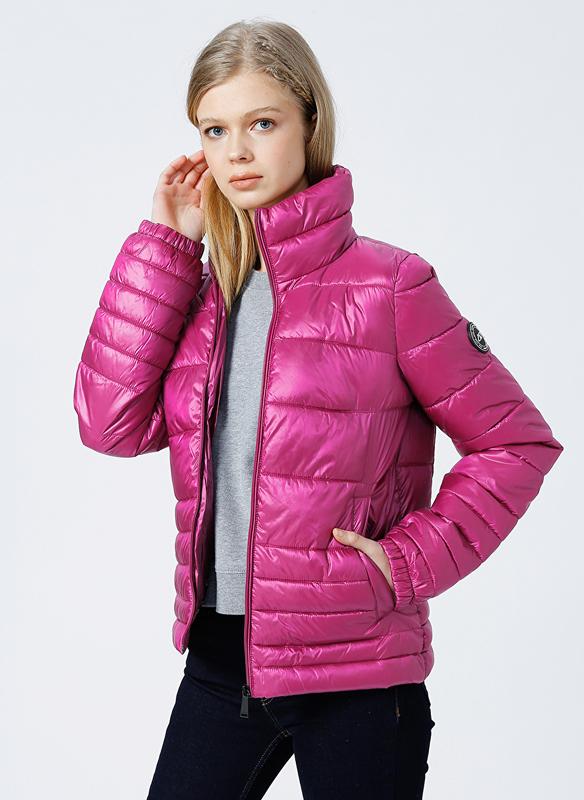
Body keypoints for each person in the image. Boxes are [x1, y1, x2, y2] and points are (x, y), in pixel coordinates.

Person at [72, 18, 564, 800]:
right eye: (215, 129)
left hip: (359, 679)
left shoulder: (391, 288)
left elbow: (518, 444)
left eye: (262, 124)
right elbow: (109, 425)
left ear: (309, 123)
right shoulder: (205, 299)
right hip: (219, 667)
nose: (236, 152)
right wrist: (164, 247)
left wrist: (405, 562)